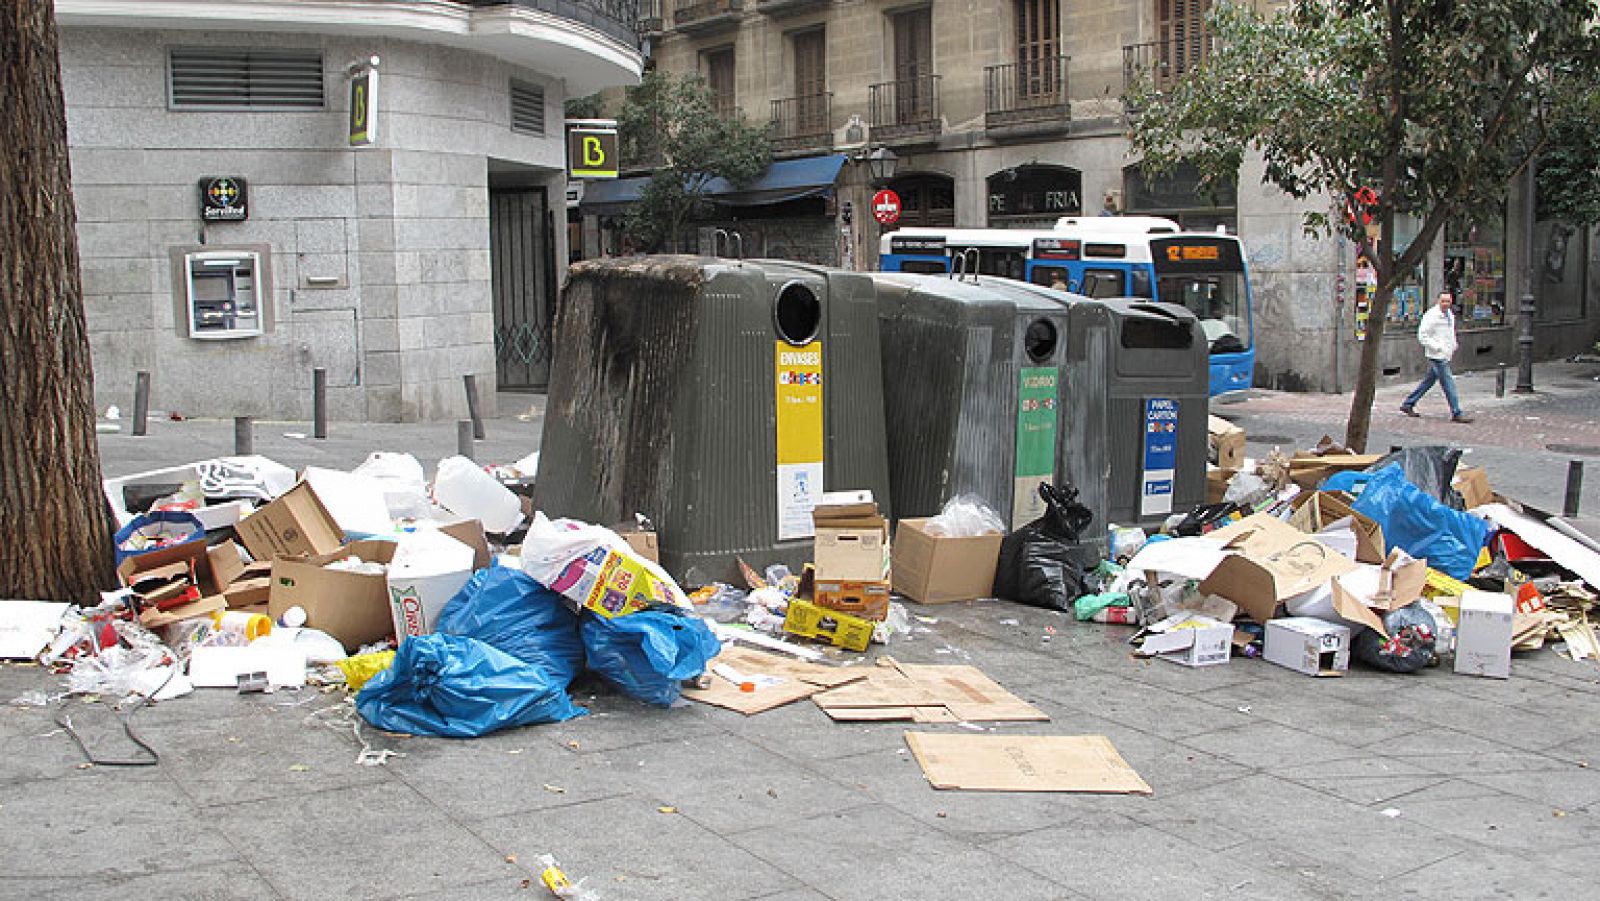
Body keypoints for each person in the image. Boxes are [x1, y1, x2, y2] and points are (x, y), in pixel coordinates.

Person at [1400, 291, 1472, 422]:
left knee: (1429, 381)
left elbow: (1450, 332)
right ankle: (1456, 412)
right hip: (1437, 355)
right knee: (1449, 383)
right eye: (1443, 301)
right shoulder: (1432, 315)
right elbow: (1422, 335)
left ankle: (1408, 403)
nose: (1446, 304)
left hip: (1445, 353)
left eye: (1448, 301)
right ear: (1438, 301)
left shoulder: (1449, 314)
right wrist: (1437, 347)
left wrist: (1453, 344)